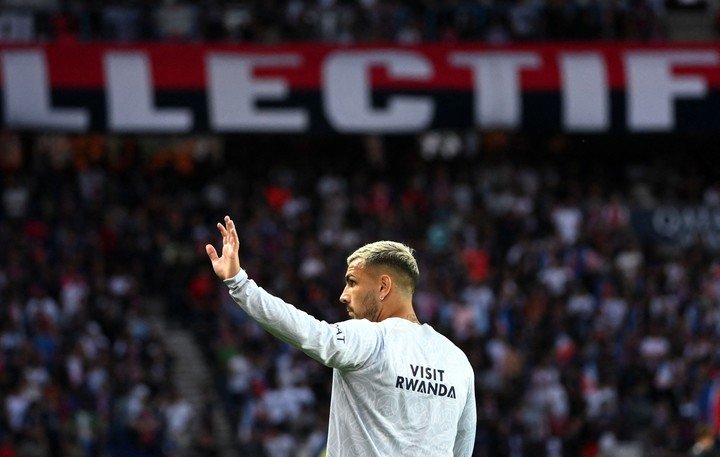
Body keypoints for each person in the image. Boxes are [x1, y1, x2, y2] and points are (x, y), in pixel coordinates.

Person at [205, 216, 476, 456]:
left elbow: (307, 332)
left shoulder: (371, 339)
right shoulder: (457, 361)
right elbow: (462, 449)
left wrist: (239, 283)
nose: (343, 296)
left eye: (352, 282)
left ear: (383, 286)